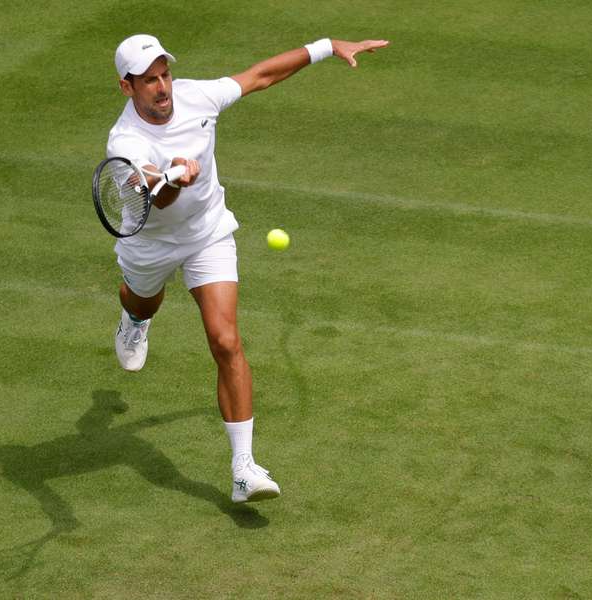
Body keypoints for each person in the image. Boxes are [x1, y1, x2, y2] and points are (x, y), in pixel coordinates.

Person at [105, 33, 389, 503]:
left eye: (164, 74)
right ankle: (135, 319)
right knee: (142, 299)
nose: (162, 88)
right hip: (150, 245)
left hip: (207, 232)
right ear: (126, 87)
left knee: (226, 339)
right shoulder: (125, 144)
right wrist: (174, 178)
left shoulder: (198, 95)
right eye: (149, 80)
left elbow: (260, 76)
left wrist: (327, 46)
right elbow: (157, 198)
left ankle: (243, 469)